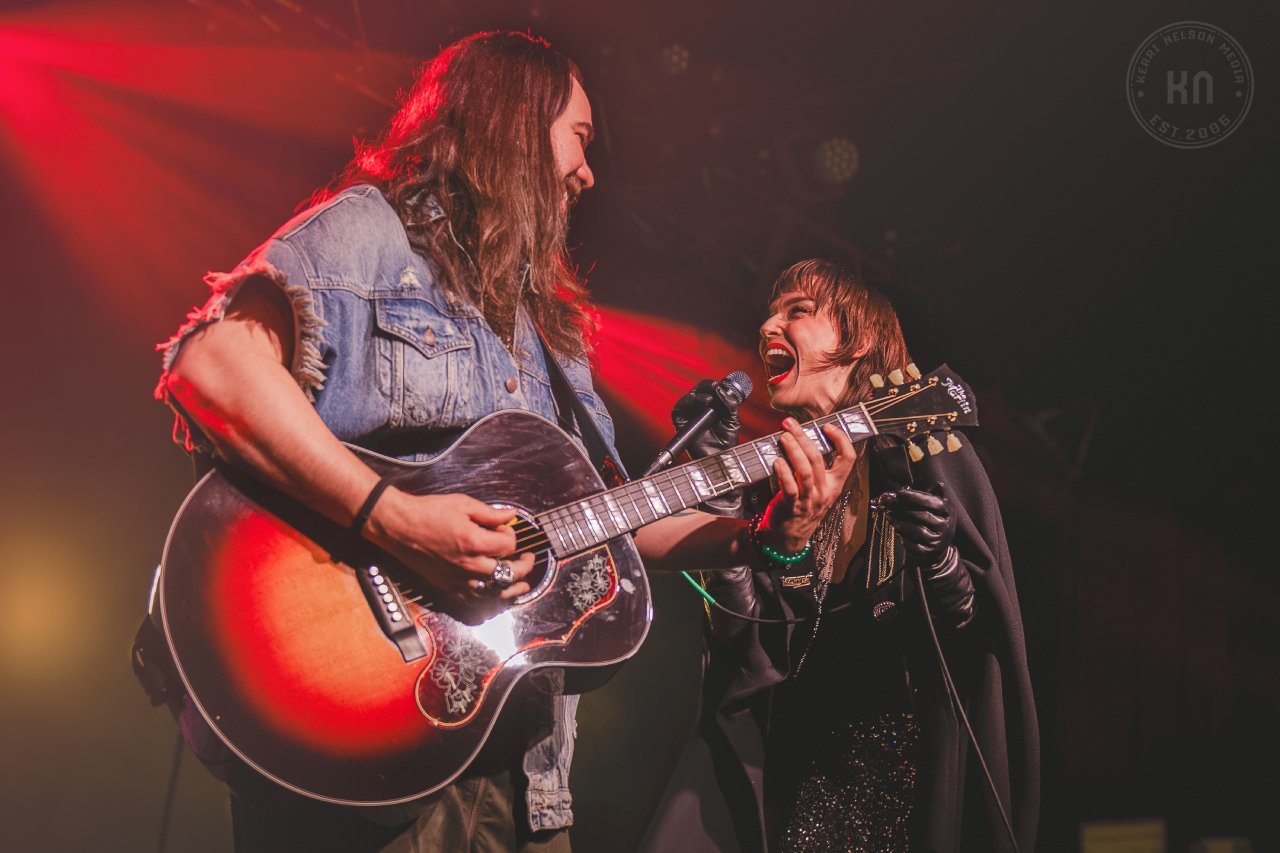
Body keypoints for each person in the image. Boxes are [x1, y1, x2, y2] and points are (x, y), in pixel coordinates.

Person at [154, 31, 853, 853]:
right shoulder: (373, 232)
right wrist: (393, 519)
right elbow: (209, 364)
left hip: (526, 779)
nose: (588, 173)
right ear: (515, 122)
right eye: (579, 139)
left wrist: (761, 537)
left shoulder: (547, 330)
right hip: (367, 760)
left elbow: (610, 519)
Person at [641, 258, 1040, 853]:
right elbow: (744, 645)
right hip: (787, 787)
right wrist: (724, 502)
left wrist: (943, 564)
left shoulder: (928, 456)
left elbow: (982, 645)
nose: (769, 325)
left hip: (898, 799)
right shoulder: (776, 486)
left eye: (797, 311)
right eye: (772, 313)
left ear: (862, 343)